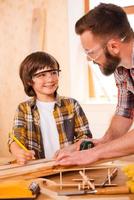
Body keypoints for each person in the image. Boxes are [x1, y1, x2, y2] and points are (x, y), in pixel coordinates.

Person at [56, 3, 134, 166]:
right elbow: (124, 113)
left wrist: (95, 154)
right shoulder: (121, 68)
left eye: (91, 53)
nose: (90, 60)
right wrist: (100, 143)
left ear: (114, 46)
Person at [8, 51, 92, 165]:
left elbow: (85, 138)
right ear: (29, 81)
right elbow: (16, 138)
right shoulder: (23, 108)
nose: (50, 79)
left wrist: (73, 149)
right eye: (42, 75)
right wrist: (18, 152)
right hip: (38, 169)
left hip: (69, 166)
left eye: (53, 72)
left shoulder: (72, 105)